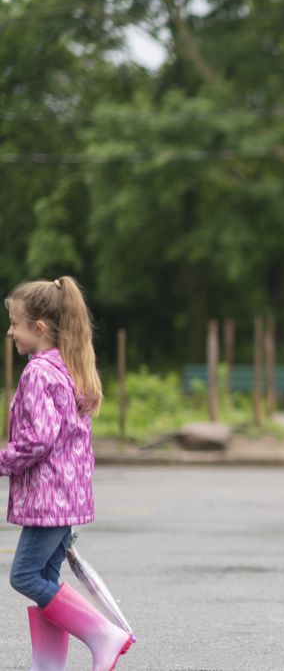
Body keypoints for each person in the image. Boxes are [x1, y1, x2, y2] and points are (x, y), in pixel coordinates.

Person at [3, 277, 136, 671]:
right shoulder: (67, 368)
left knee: (25, 576)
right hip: (68, 497)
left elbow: (36, 441)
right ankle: (49, 666)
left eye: (14, 323)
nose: (9, 330)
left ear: (39, 328)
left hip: (49, 499)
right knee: (45, 579)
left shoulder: (39, 373)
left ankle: (103, 635)